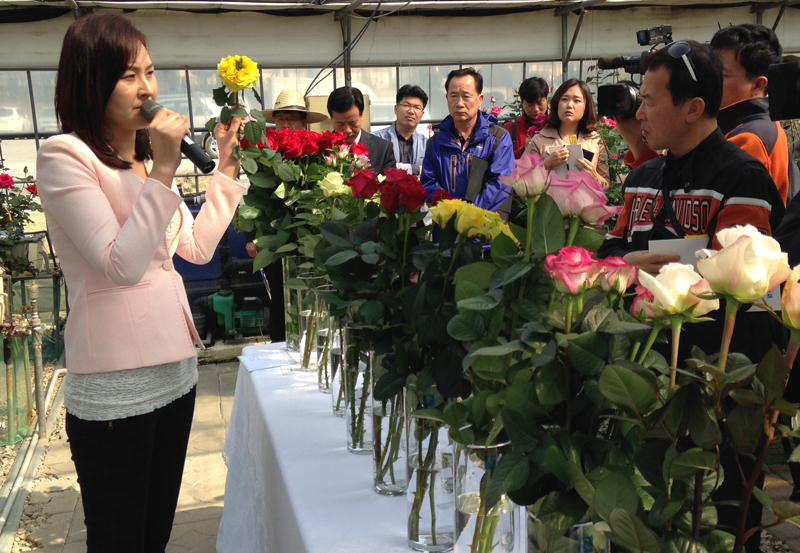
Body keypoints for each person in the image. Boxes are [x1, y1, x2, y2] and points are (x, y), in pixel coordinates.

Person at [36, 14, 247, 552]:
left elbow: (192, 250)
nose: (147, 88)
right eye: (128, 75)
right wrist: (163, 173)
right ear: (90, 80)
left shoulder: (142, 161)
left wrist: (221, 170)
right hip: (115, 386)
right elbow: (120, 264)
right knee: (119, 537)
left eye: (149, 72)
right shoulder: (66, 156)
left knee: (153, 534)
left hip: (176, 370)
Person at [596, 41, 785, 553]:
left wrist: (641, 269)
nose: (639, 113)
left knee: (717, 523)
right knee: (643, 511)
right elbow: (611, 248)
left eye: (650, 101)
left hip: (716, 387)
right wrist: (630, 263)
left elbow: (741, 278)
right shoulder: (642, 178)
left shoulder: (741, 178)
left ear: (693, 108)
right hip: (646, 382)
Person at [420, 67, 514, 213]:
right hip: (447, 226)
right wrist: (452, 211)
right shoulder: (435, 143)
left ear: (480, 100)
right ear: (447, 98)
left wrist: (469, 214)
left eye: (466, 96)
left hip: (485, 227)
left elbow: (501, 183)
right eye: (453, 96)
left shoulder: (498, 138)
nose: (459, 103)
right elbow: (428, 182)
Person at [523, 78, 610, 188]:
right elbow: (522, 181)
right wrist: (546, 164)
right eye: (564, 99)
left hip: (585, 204)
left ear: (586, 108)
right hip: (550, 204)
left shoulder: (595, 140)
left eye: (577, 100)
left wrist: (594, 176)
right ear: (556, 103)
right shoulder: (539, 139)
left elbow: (607, 186)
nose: (569, 105)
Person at [326, 86, 395, 174]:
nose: (347, 130)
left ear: (362, 115)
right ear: (331, 119)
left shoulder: (382, 149)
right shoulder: (322, 149)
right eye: (340, 124)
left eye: (353, 123)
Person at [373, 84, 429, 175]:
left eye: (417, 107)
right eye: (406, 105)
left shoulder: (427, 144)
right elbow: (377, 168)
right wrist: (416, 169)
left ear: (422, 114)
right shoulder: (377, 139)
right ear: (396, 109)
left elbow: (433, 172)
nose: (411, 111)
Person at [504, 77, 549, 158]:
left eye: (540, 103)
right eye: (530, 104)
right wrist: (524, 149)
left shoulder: (556, 126)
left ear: (547, 99)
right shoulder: (511, 128)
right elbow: (504, 160)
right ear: (522, 102)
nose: (536, 109)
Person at [262, 88, 328, 131]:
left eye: (291, 119)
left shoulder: (313, 150)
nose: (285, 125)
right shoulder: (266, 149)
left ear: (303, 122)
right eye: (280, 119)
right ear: (275, 120)